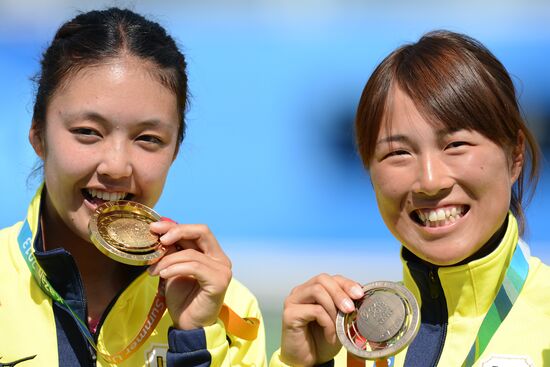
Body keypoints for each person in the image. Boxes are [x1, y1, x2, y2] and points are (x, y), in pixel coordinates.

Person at [0, 8, 266, 367]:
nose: (116, 167)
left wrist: (193, 339)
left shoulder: (226, 306)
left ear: (175, 151)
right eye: (88, 132)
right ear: (38, 135)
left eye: (148, 139)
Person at [270, 30, 550, 367]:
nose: (430, 181)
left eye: (455, 145)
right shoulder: (343, 345)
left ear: (515, 155)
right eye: (399, 153)